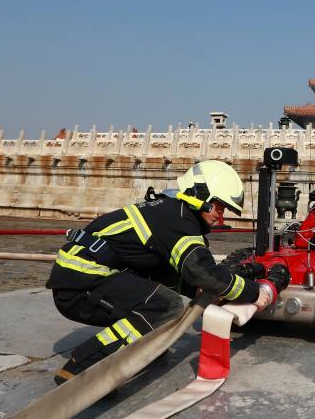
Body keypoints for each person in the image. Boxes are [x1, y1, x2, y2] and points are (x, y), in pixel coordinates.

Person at [46, 160, 289, 384]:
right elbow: (203, 272)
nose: (221, 215)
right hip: (80, 284)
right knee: (166, 305)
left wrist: (196, 289)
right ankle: (81, 368)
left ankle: (144, 348)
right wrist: (254, 292)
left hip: (81, 278)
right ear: (201, 195)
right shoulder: (179, 222)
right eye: (219, 206)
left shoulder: (171, 211)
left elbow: (164, 272)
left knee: (162, 300)